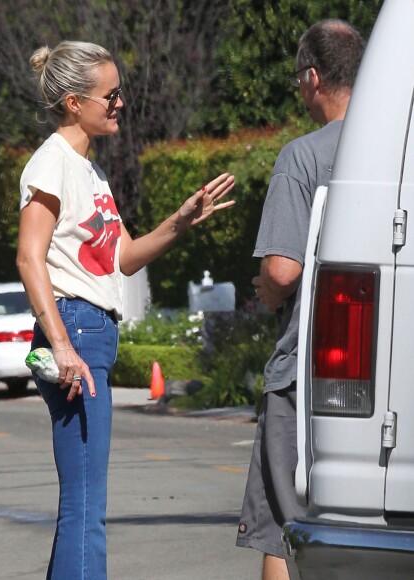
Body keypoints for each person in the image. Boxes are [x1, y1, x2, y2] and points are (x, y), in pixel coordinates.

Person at [16, 40, 235, 580]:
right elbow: (28, 256)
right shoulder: (52, 163)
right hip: (76, 335)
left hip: (91, 334)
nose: (119, 104)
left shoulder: (91, 173)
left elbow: (125, 258)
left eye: (120, 93)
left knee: (84, 504)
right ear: (73, 102)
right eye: (109, 96)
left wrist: (181, 220)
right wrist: (62, 346)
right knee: (87, 509)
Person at [235, 20, 365, 580]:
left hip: (308, 371)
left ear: (313, 78)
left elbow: (283, 270)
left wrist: (265, 288)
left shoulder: (303, 156)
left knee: (282, 528)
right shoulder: (401, 154)